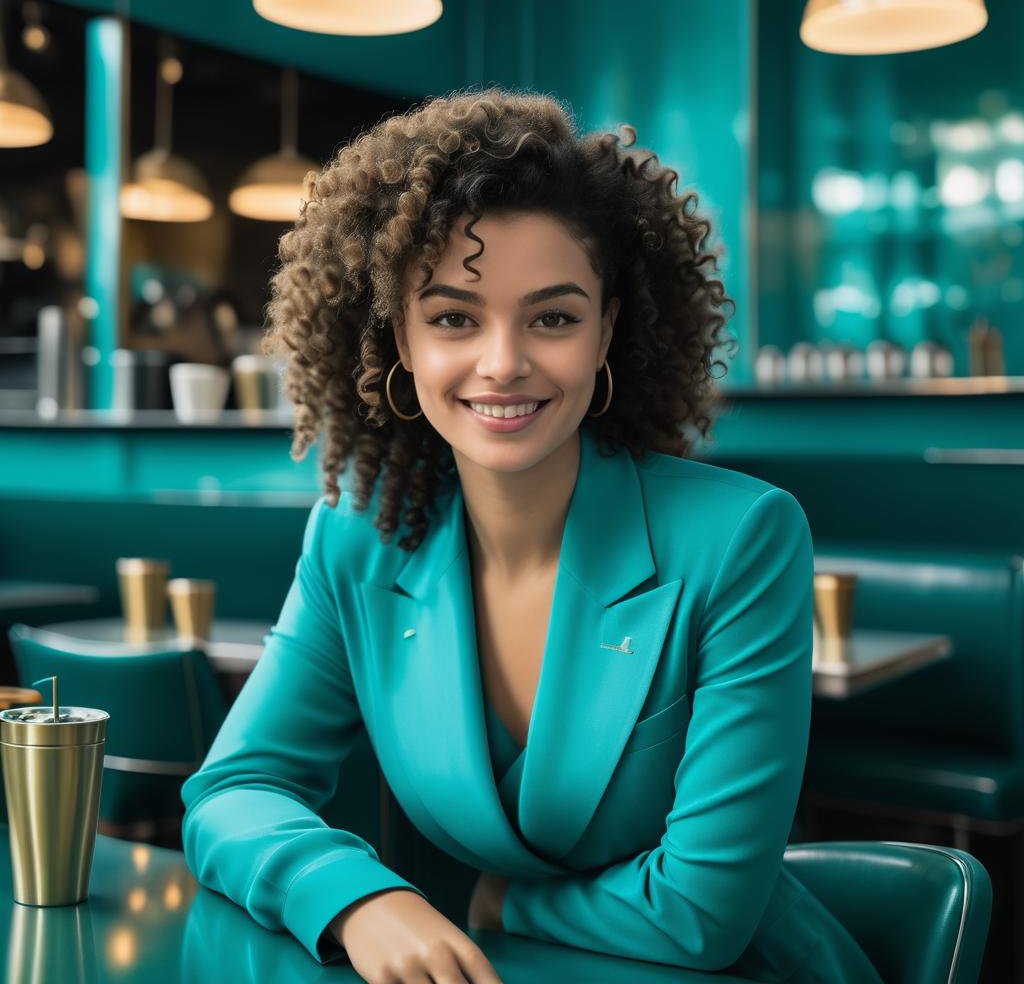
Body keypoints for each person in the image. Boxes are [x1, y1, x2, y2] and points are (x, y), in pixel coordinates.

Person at [180, 86, 884, 984]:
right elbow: (231, 793)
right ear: (399, 336)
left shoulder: (743, 539)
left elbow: (701, 914)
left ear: (606, 334)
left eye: (552, 317)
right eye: (453, 318)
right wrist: (358, 897)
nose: (503, 361)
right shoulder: (358, 538)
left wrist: (495, 901)